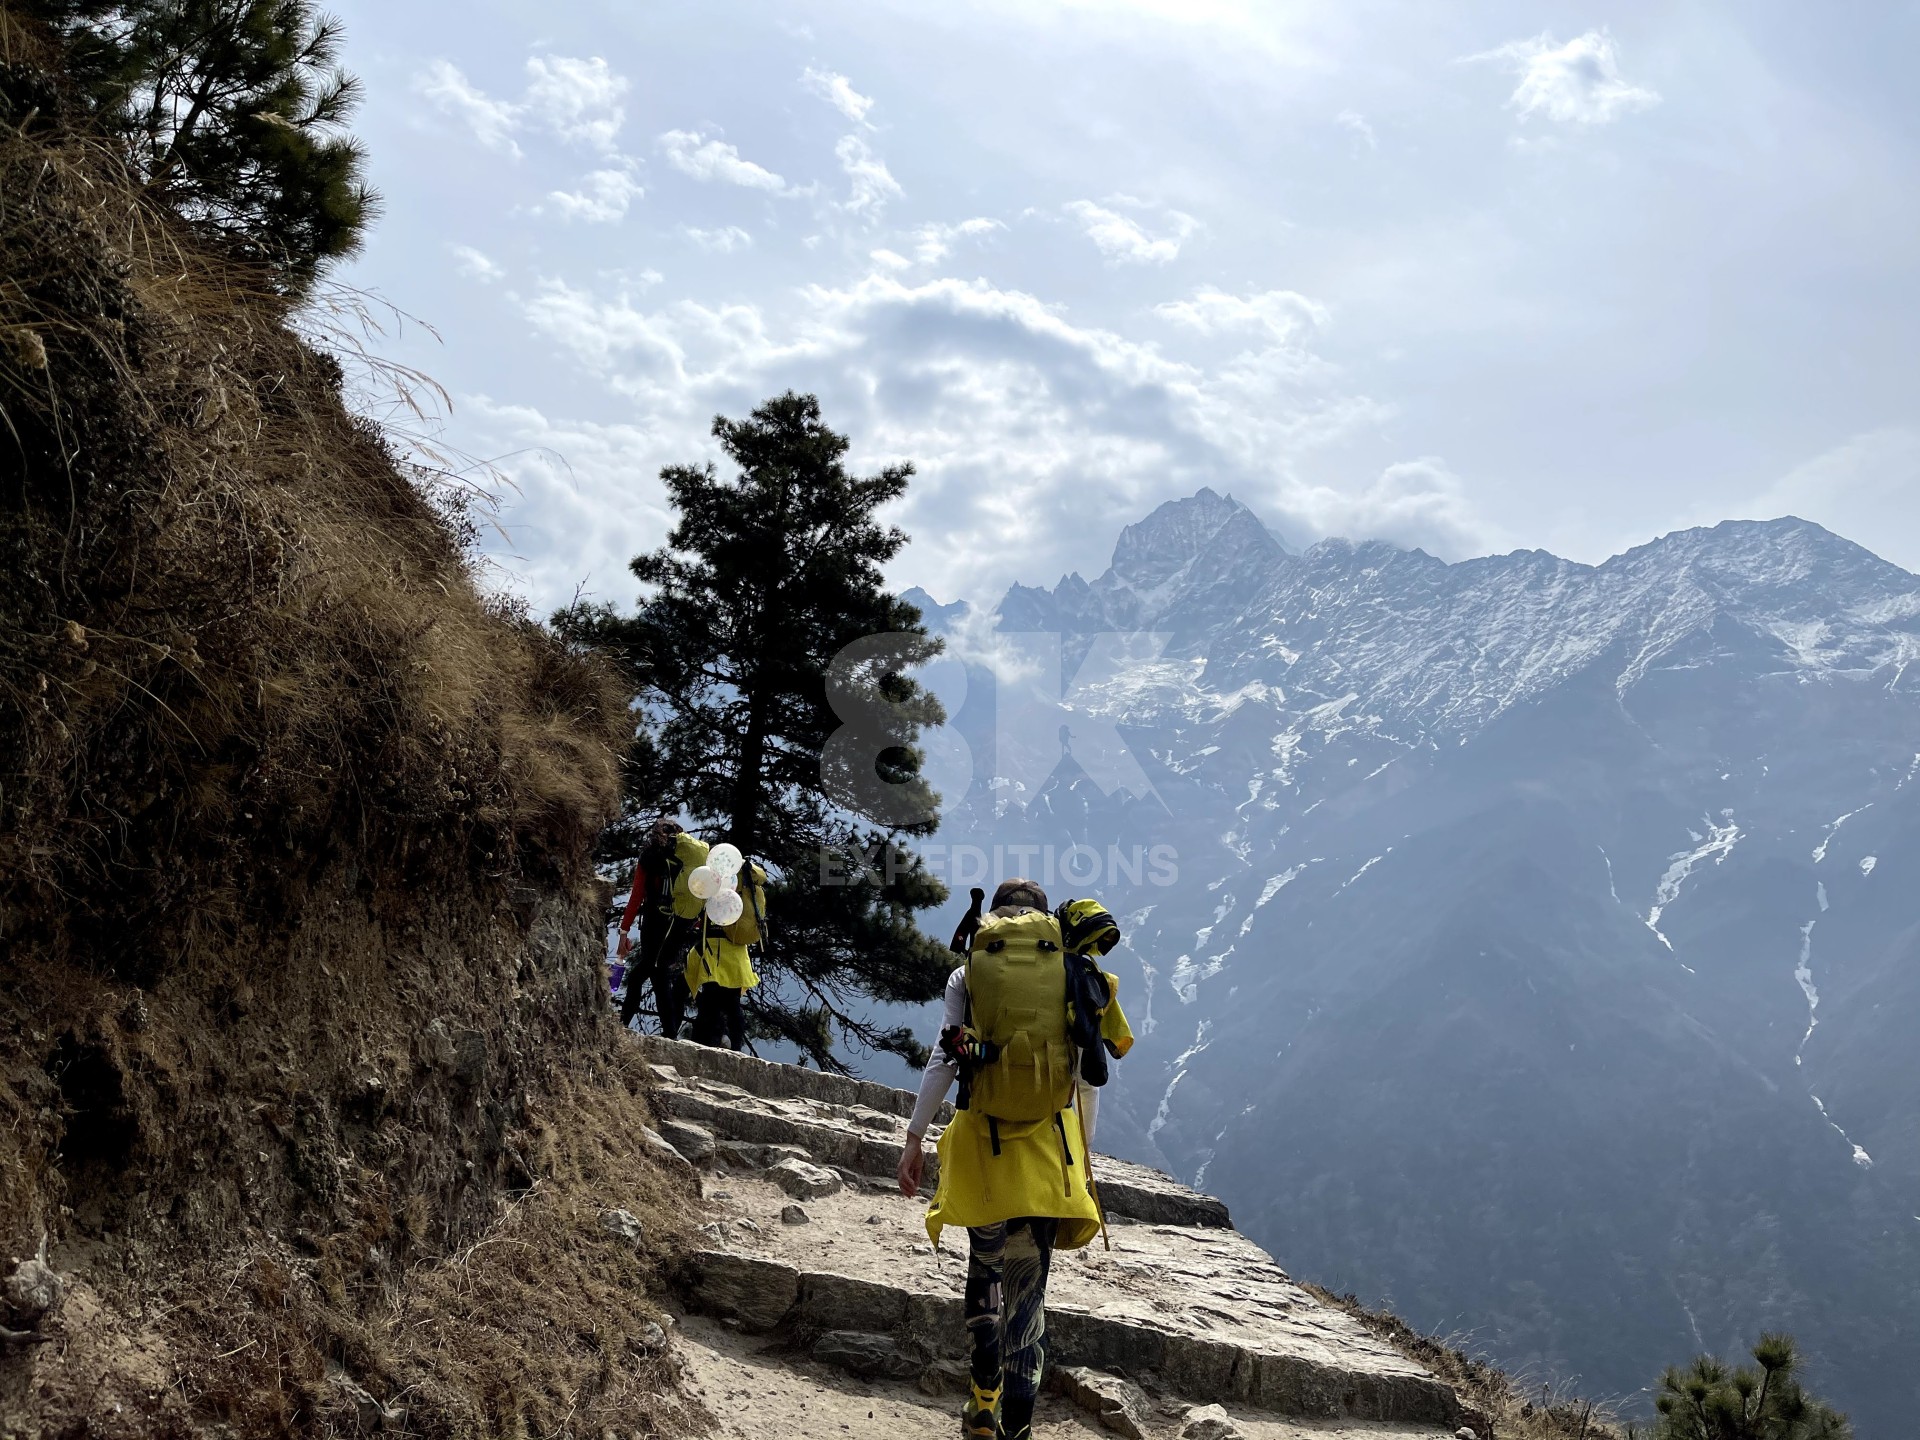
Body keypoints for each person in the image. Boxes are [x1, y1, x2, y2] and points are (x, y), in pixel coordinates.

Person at [897, 879, 1132, 1440]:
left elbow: (946, 1057)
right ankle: (1019, 1427)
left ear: (995, 922)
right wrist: (1080, 1151)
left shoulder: (969, 973)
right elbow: (1088, 1078)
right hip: (1047, 1148)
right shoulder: (1076, 974)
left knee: (985, 1269)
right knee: (1030, 1294)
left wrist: (914, 1137)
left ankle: (982, 1402)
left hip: (984, 1145)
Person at [615, 819, 696, 1037]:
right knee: (659, 978)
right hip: (677, 926)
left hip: (654, 923)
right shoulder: (686, 862)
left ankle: (622, 1026)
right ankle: (669, 1035)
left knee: (643, 976)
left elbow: (636, 896)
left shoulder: (649, 858)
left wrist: (624, 931)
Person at [684, 851, 767, 1051]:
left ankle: (699, 1047)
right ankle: (736, 1049)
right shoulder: (748, 884)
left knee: (709, 1003)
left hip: (715, 951)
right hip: (738, 952)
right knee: (733, 1004)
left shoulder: (716, 882)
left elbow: (705, 912)